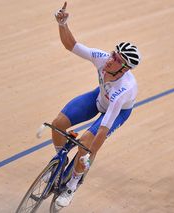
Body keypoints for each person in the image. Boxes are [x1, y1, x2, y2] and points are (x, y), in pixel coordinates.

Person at [52, 2, 141, 207]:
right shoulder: (103, 59)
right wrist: (63, 24)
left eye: (117, 59)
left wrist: (89, 156)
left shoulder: (125, 89)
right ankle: (60, 160)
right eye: (113, 54)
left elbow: (103, 129)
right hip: (98, 97)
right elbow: (71, 45)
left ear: (125, 69)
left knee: (85, 144)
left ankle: (73, 184)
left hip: (116, 112)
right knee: (57, 124)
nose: (111, 60)